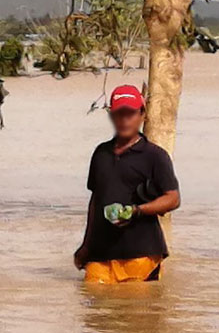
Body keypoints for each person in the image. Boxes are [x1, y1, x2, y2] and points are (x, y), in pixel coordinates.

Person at [75, 85, 181, 284]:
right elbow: (95, 201)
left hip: (141, 254)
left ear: (142, 114)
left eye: (130, 114)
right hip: (101, 253)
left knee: (134, 312)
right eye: (119, 114)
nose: (125, 120)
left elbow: (173, 199)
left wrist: (136, 211)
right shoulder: (101, 154)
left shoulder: (155, 156)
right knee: (94, 309)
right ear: (111, 116)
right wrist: (86, 246)